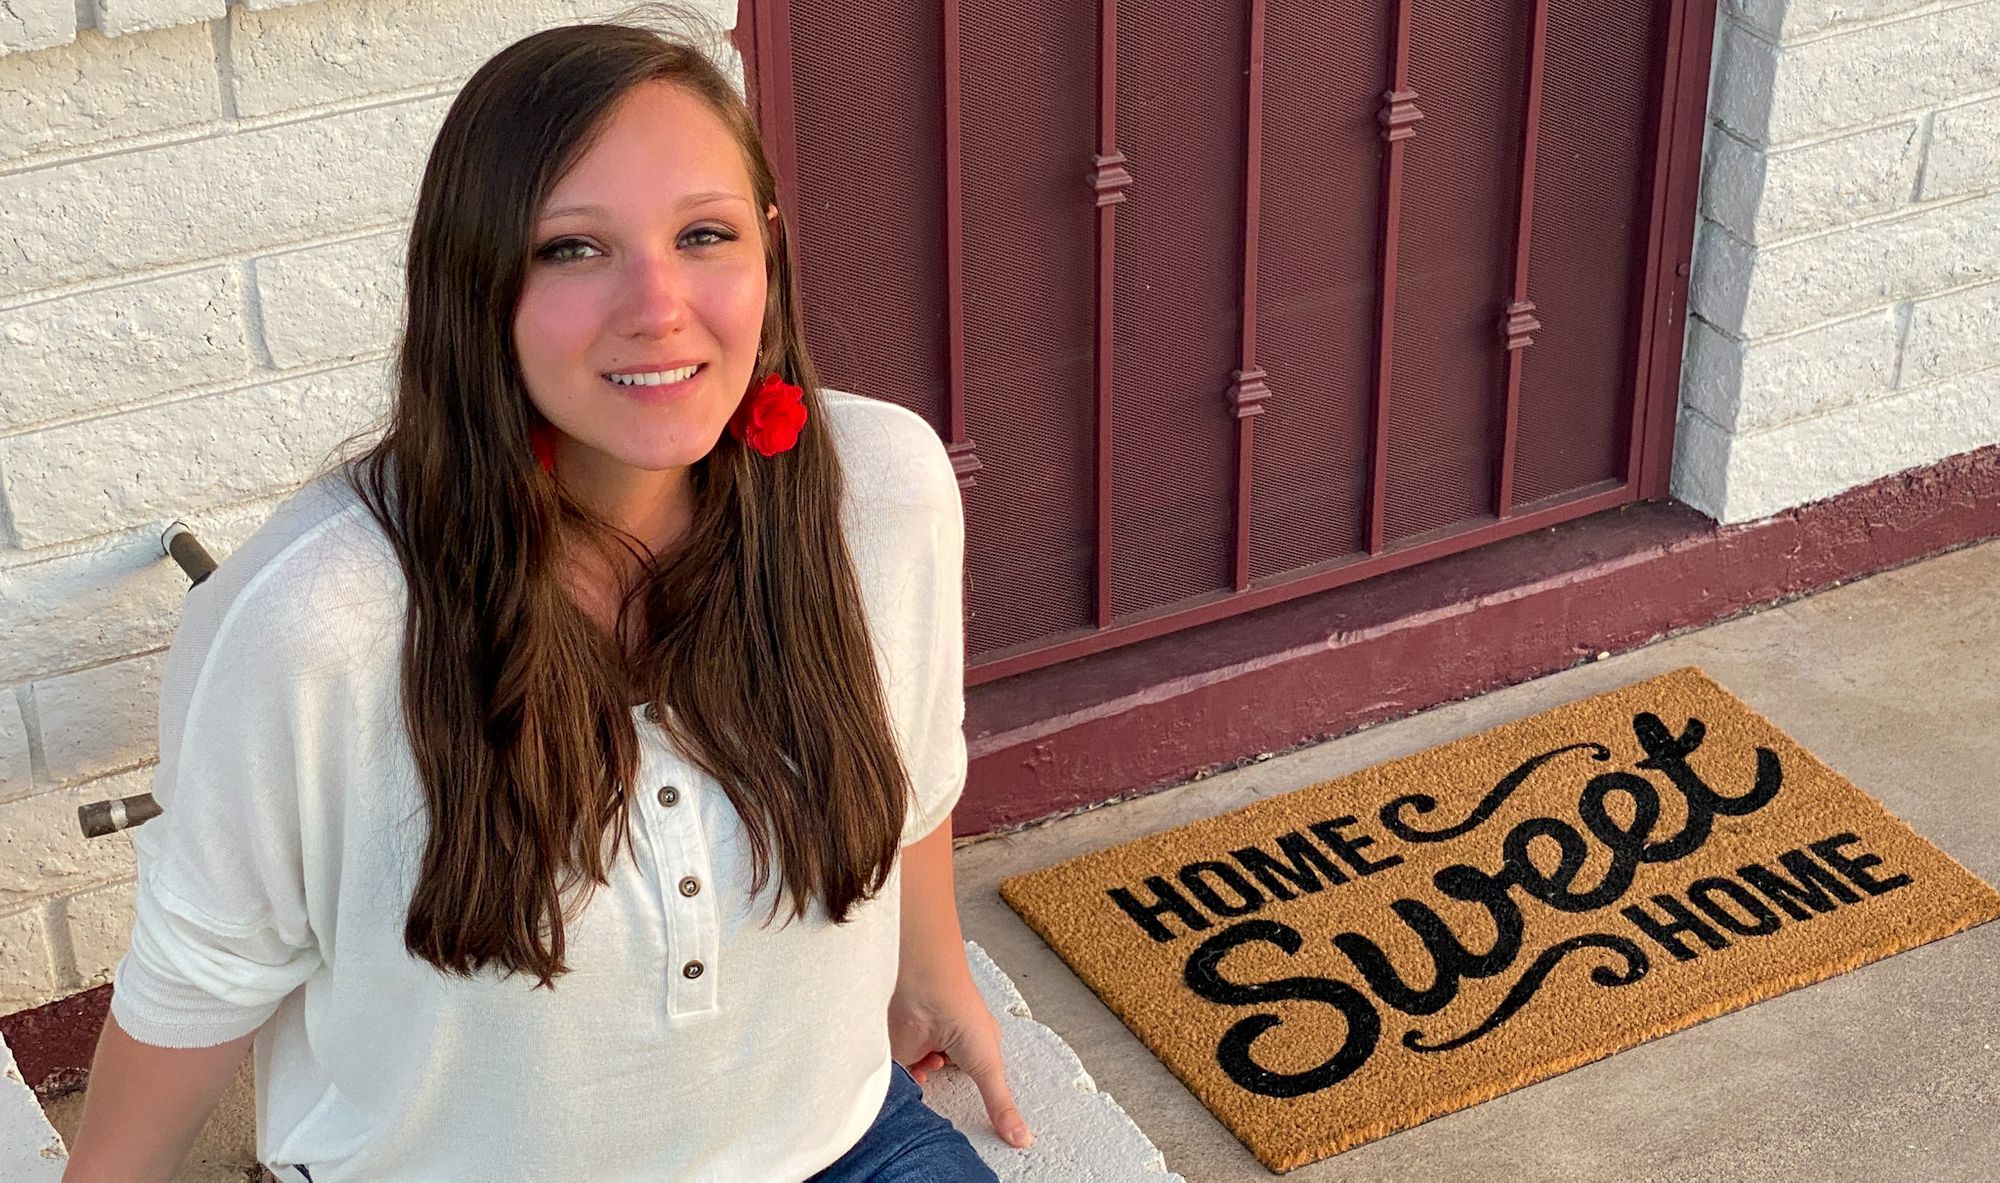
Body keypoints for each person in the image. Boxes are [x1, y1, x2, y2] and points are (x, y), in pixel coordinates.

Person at [60, 9, 1031, 1180]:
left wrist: (937, 978)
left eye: (705, 234)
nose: (658, 306)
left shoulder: (882, 493)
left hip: (836, 1144)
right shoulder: (316, 621)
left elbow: (909, 767)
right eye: (574, 247)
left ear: (767, 252)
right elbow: (198, 976)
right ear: (477, 281)